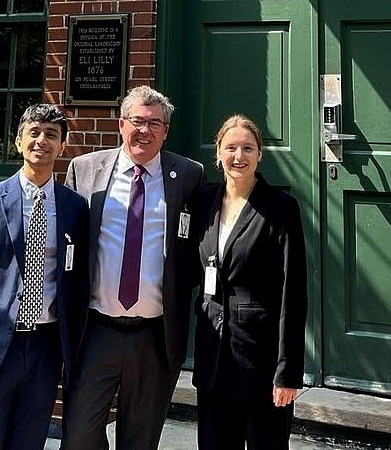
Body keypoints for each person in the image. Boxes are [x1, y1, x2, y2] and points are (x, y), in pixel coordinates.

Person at [61, 84, 204, 450]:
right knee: (79, 436)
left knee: (140, 441)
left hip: (155, 336)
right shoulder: (85, 169)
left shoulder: (188, 175)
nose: (145, 130)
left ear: (166, 130)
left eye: (155, 123)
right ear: (121, 124)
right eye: (137, 121)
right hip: (96, 330)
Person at [0, 103, 89, 450]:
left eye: (51, 135)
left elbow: (78, 284)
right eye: (34, 133)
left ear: (62, 146)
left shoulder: (75, 207)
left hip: (45, 350)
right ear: (18, 141)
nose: (42, 141)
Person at [193, 114, 308, 450]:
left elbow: (294, 294)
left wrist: (288, 372)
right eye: (230, 148)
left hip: (261, 367)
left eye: (247, 148)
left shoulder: (281, 208)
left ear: (260, 154)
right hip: (213, 362)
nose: (238, 156)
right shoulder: (202, 203)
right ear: (218, 153)